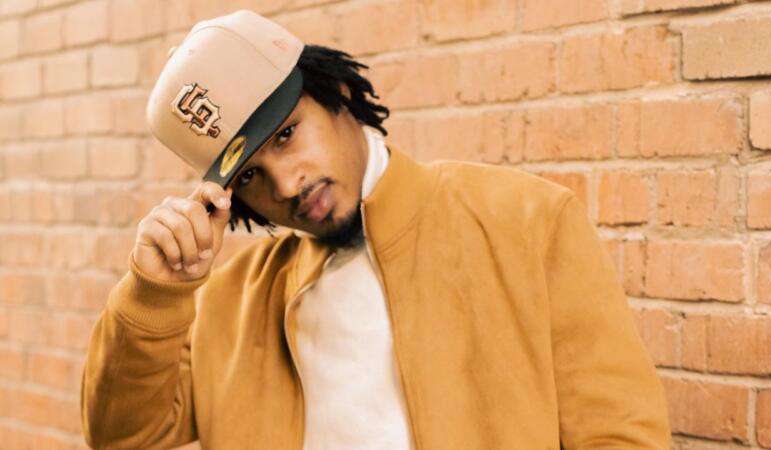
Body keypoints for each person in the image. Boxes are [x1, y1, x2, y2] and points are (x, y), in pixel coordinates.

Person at [80, 9, 672, 450]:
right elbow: (123, 436)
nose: (286, 184)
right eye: (252, 175)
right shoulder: (229, 302)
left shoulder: (526, 221)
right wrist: (154, 294)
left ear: (336, 93)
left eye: (286, 134)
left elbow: (619, 434)